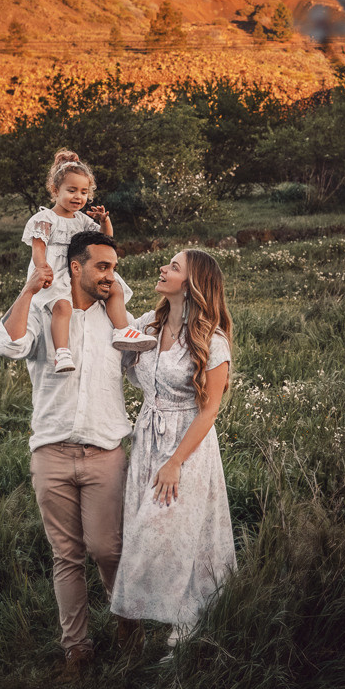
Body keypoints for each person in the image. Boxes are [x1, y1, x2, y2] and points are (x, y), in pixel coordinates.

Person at [0, 231, 138, 682]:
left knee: (107, 549)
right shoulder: (44, 312)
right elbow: (7, 344)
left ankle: (130, 628)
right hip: (51, 452)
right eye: (104, 267)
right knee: (67, 554)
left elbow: (141, 367)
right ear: (77, 266)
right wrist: (30, 288)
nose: (111, 276)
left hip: (105, 452)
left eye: (113, 267)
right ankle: (77, 649)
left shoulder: (114, 318)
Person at [110, 248, 236, 653]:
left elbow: (210, 408)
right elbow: (118, 331)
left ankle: (189, 626)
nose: (163, 269)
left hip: (187, 447)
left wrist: (176, 462)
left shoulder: (211, 340)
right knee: (145, 532)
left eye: (174, 267)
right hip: (147, 436)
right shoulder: (150, 322)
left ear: (193, 283)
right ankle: (158, 621)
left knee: (170, 533)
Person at [22, 148, 155, 372]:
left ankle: (122, 329)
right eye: (71, 190)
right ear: (55, 190)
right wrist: (42, 269)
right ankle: (62, 353)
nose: (78, 197)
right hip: (55, 271)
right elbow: (38, 248)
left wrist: (104, 221)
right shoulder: (45, 218)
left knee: (115, 287)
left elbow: (104, 241)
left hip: (81, 270)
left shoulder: (82, 220)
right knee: (62, 307)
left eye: (84, 192)